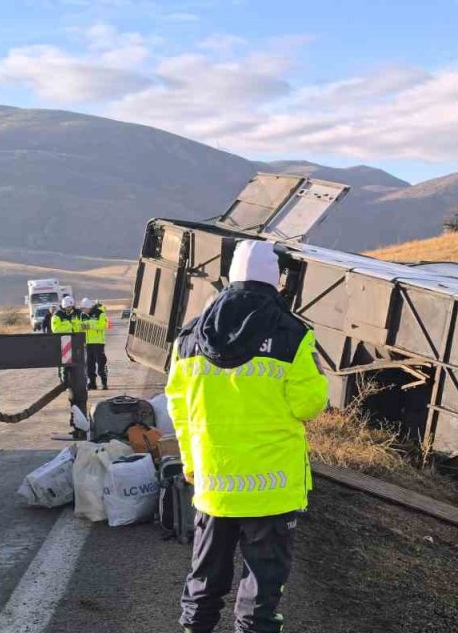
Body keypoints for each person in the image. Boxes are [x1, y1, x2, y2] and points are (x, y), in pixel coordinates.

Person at [164, 240, 328, 633]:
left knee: (205, 578)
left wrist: (191, 461)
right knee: (261, 589)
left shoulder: (191, 336)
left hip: (214, 482)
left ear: (230, 276)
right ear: (276, 280)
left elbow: (178, 407)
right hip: (272, 487)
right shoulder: (292, 333)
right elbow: (308, 405)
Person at [50, 296, 82, 384]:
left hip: (75, 341)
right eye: (68, 307)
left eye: (71, 307)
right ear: (64, 306)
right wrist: (69, 325)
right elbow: (56, 329)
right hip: (63, 342)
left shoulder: (76, 313)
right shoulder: (57, 315)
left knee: (76, 364)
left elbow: (81, 324)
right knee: (64, 364)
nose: (70, 308)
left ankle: (75, 382)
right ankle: (64, 382)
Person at [79, 297, 109, 390]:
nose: (83, 310)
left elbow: (103, 325)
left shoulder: (100, 313)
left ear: (88, 307)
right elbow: (80, 326)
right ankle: (92, 383)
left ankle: (104, 383)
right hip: (88, 343)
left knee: (101, 363)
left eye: (84, 308)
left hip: (98, 343)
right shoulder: (82, 315)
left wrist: (89, 325)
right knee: (89, 365)